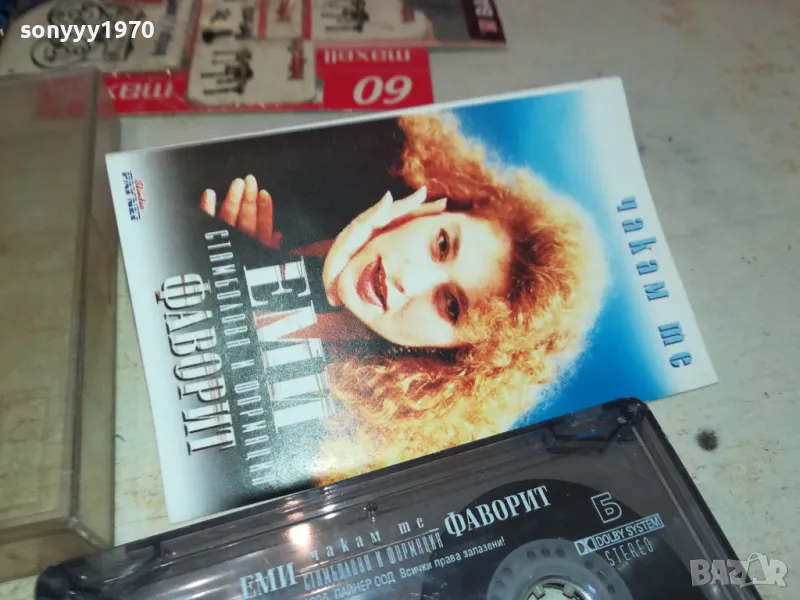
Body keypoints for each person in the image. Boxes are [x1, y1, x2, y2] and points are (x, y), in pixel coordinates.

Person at [200, 112, 607, 484]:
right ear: (436, 204)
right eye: (442, 244)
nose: (408, 280)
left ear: (451, 354)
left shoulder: (341, 445)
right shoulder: (343, 143)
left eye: (451, 306)